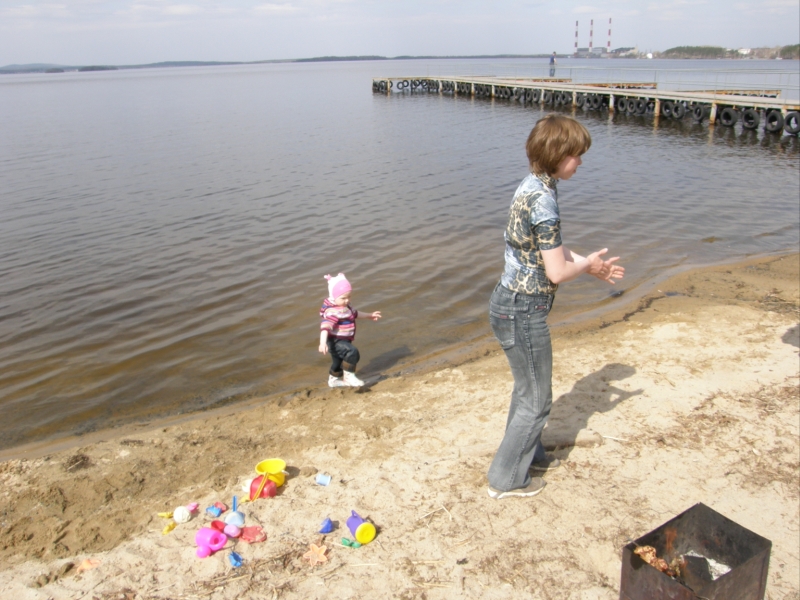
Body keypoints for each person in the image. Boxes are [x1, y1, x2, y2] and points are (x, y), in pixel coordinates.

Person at [486, 115, 624, 500]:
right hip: (522, 309)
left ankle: (528, 457)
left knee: (526, 390)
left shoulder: (532, 185)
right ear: (558, 154)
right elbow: (558, 271)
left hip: (508, 302)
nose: (580, 162)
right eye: (577, 155)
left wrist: (590, 265)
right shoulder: (544, 200)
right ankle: (505, 479)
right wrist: (586, 264)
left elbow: (547, 249)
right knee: (537, 399)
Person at [319, 273, 382, 387]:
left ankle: (333, 381)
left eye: (349, 297)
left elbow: (355, 313)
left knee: (338, 362)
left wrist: (369, 315)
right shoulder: (332, 311)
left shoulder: (345, 307)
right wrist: (322, 343)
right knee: (352, 352)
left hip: (344, 340)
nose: (347, 300)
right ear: (333, 297)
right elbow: (325, 327)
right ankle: (349, 377)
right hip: (335, 341)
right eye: (343, 298)